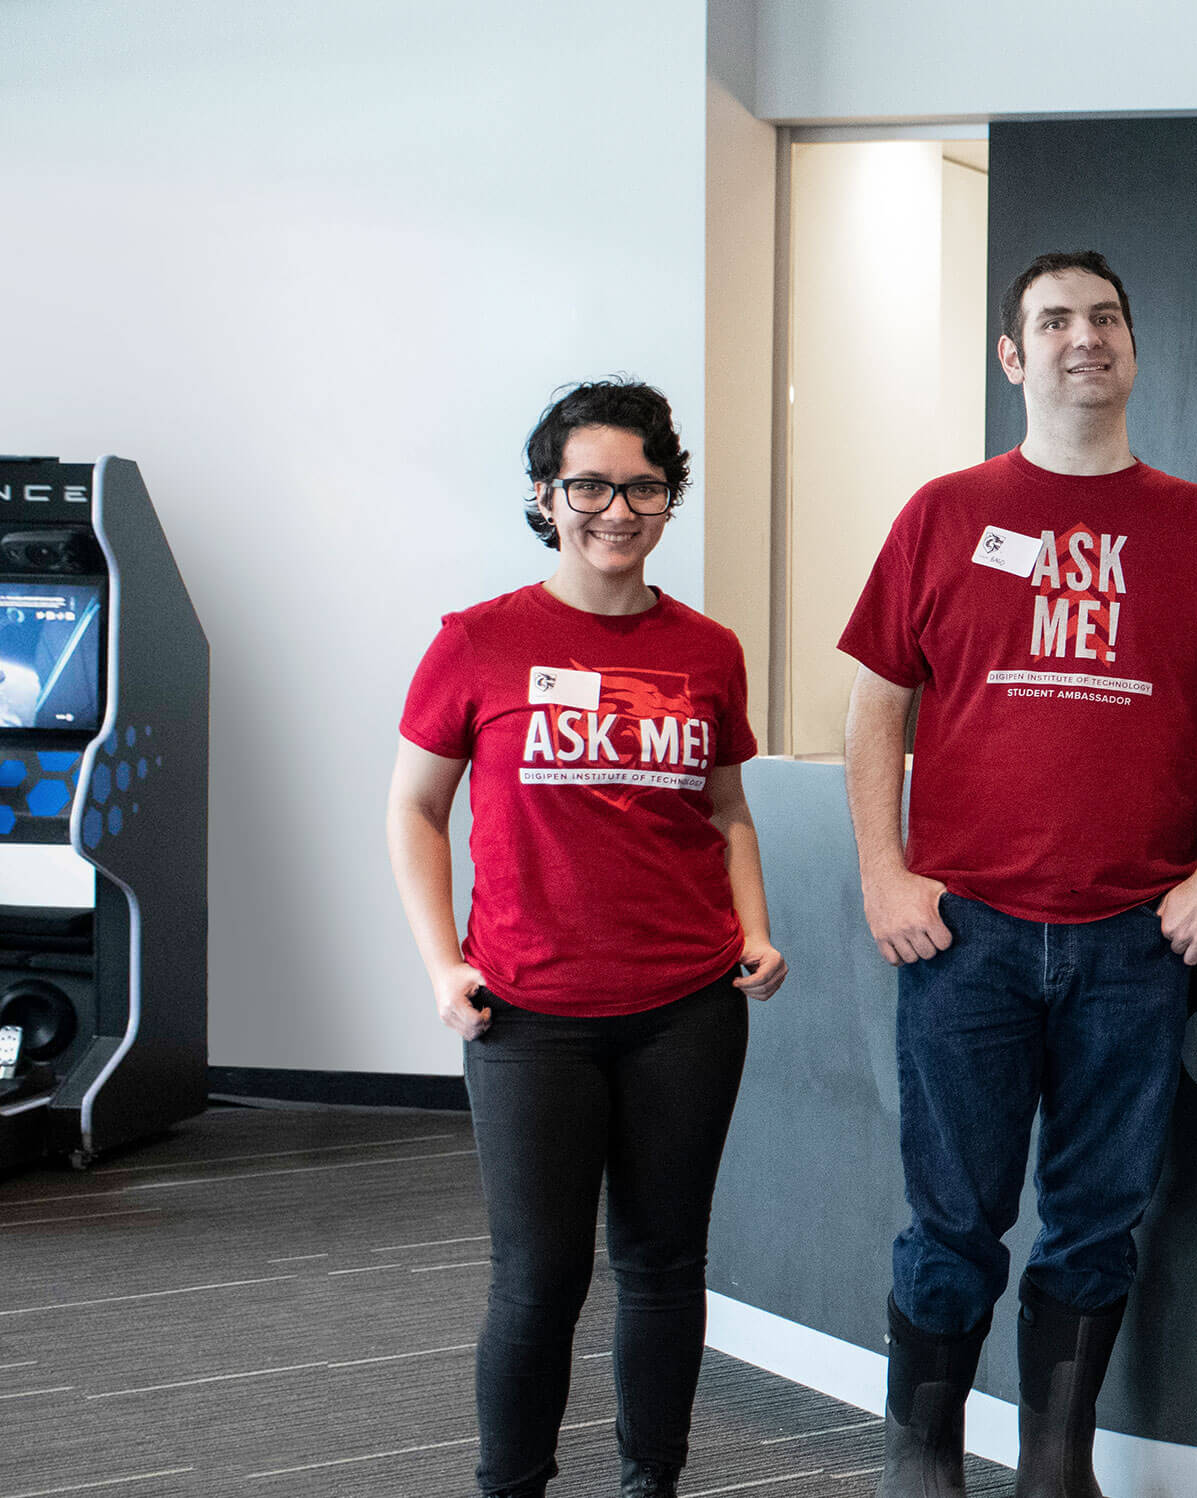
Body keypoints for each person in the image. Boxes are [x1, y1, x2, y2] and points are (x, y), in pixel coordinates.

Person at [840, 250, 1197, 1498]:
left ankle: (1055, 1465)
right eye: (1052, 321)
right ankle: (921, 1464)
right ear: (1012, 357)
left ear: (1132, 349)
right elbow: (873, 708)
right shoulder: (943, 514)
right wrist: (884, 875)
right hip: (963, 935)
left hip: (1132, 942)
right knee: (953, 1219)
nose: (1081, 338)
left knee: (1096, 1220)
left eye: (1104, 318)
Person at [389, 380, 786, 1498]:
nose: (618, 508)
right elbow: (413, 810)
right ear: (545, 495)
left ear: (669, 498)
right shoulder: (478, 641)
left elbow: (725, 810)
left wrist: (752, 929)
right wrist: (440, 965)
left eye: (644, 486)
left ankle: (648, 1482)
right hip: (529, 1015)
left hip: (686, 1008)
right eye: (591, 484)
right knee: (539, 1279)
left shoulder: (706, 649)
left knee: (663, 1265)